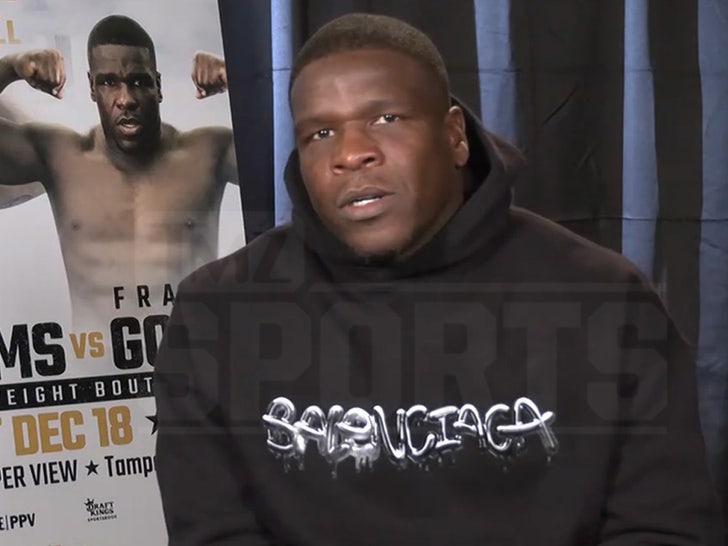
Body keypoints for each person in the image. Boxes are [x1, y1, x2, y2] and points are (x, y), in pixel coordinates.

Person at [154, 13, 722, 546]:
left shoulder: (606, 299)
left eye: (386, 119)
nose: (351, 154)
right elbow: (215, 531)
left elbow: (661, 526)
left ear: (455, 136)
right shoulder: (217, 314)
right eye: (320, 133)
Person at [0, 14, 237, 327]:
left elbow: (289, 157)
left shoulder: (208, 153)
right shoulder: (60, 157)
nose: (125, 100)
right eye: (109, 82)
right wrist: (11, 67)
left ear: (158, 86)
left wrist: (236, 78)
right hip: (98, 358)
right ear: (92, 87)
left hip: (196, 353)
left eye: (138, 82)